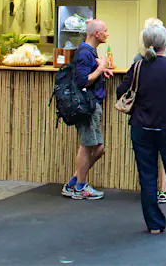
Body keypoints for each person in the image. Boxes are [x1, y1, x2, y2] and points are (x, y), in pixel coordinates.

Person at [117, 22, 166, 233]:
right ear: (165, 43)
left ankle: (155, 225)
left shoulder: (138, 67)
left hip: (142, 128)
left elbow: (121, 91)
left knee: (147, 176)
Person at [62, 19, 113, 200]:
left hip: (92, 104)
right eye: (105, 30)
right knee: (87, 146)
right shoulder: (85, 53)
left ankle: (74, 181)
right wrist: (100, 68)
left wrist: (100, 70)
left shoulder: (90, 52)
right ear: (96, 34)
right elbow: (83, 80)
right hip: (87, 105)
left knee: (98, 147)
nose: (107, 33)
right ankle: (80, 186)